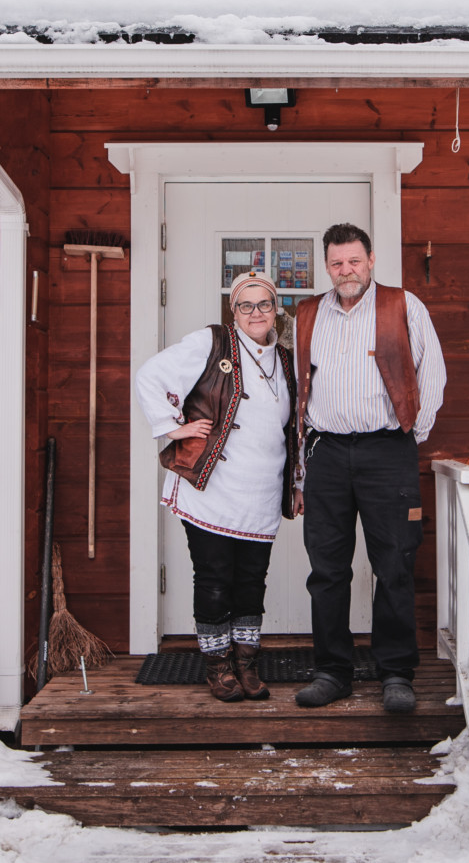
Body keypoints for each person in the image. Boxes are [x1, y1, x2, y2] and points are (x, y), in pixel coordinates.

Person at [292, 224, 447, 713]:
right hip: (327, 455)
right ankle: (331, 670)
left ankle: (396, 673)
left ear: (371, 259)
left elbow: (432, 374)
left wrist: (406, 437)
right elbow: (301, 384)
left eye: (354, 261)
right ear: (327, 266)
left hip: (387, 452)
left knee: (395, 564)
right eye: (337, 263)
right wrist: (302, 462)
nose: (346, 271)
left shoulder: (403, 306)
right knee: (327, 569)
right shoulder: (308, 314)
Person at [133, 273, 297, 702]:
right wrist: (174, 427)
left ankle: (246, 662)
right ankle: (218, 664)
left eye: (265, 305)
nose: (256, 313)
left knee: (251, 580)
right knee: (214, 578)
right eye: (247, 305)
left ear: (276, 309)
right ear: (233, 310)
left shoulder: (285, 359)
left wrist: (298, 481)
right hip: (212, 488)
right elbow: (151, 375)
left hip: (260, 489)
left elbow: (296, 428)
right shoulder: (213, 342)